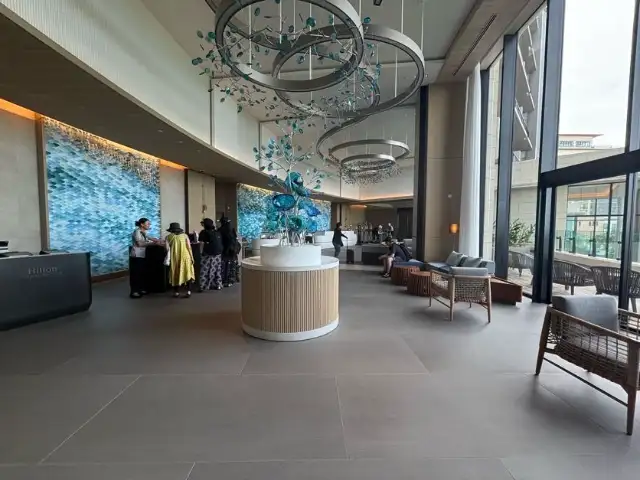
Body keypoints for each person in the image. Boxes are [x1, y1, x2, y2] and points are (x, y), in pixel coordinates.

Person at [129, 217, 158, 298]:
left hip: (141, 254)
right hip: (136, 255)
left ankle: (140, 289)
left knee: (141, 273)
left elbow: (149, 238)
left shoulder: (143, 232)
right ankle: (134, 291)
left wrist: (156, 240)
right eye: (148, 223)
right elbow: (140, 244)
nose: (149, 225)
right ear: (142, 224)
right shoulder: (137, 232)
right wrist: (153, 243)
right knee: (136, 274)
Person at [165, 222, 195, 298]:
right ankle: (188, 291)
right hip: (185, 257)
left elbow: (167, 249)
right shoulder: (185, 236)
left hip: (174, 258)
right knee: (187, 273)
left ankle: (176, 292)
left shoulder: (168, 237)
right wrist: (191, 257)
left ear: (171, 230)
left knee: (175, 273)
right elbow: (189, 247)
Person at [198, 218, 223, 291]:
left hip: (208, 253)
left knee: (205, 269)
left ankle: (203, 286)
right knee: (217, 269)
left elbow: (201, 244)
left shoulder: (204, 232)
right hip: (218, 253)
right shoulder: (217, 232)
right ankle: (218, 284)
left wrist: (201, 253)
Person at [219, 215, 236, 287]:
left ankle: (224, 280)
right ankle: (231, 279)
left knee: (224, 265)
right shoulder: (232, 229)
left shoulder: (221, 230)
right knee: (231, 264)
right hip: (232, 250)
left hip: (225, 250)